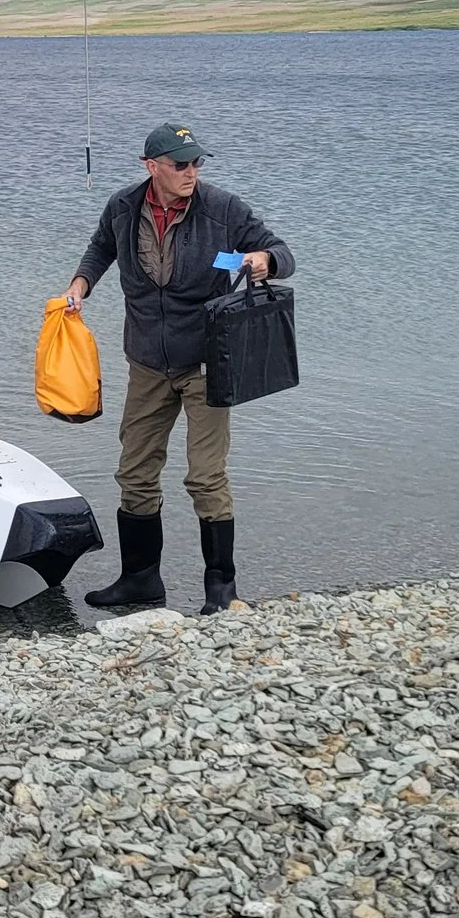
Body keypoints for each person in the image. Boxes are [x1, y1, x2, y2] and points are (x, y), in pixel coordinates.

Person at [63, 124, 292, 615]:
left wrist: (263, 259)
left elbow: (283, 253)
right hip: (146, 360)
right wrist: (80, 286)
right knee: (135, 472)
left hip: (208, 361)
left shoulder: (222, 208)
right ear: (152, 167)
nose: (191, 172)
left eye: (196, 164)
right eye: (180, 164)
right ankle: (140, 581)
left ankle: (221, 590)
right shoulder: (123, 206)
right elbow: (100, 248)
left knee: (206, 477)